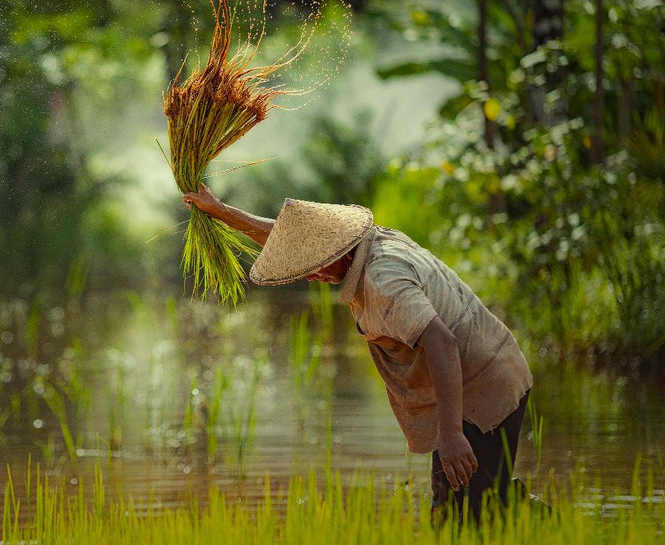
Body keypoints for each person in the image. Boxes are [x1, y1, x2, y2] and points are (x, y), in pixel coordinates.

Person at [182, 184, 534, 524]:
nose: (314, 275)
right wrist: (222, 212)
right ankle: (539, 518)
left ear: (343, 250)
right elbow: (290, 239)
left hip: (483, 389)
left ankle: (525, 514)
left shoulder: (383, 279)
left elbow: (441, 342)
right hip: (487, 369)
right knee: (474, 503)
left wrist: (452, 434)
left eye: (319, 265)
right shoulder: (370, 239)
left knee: (460, 517)